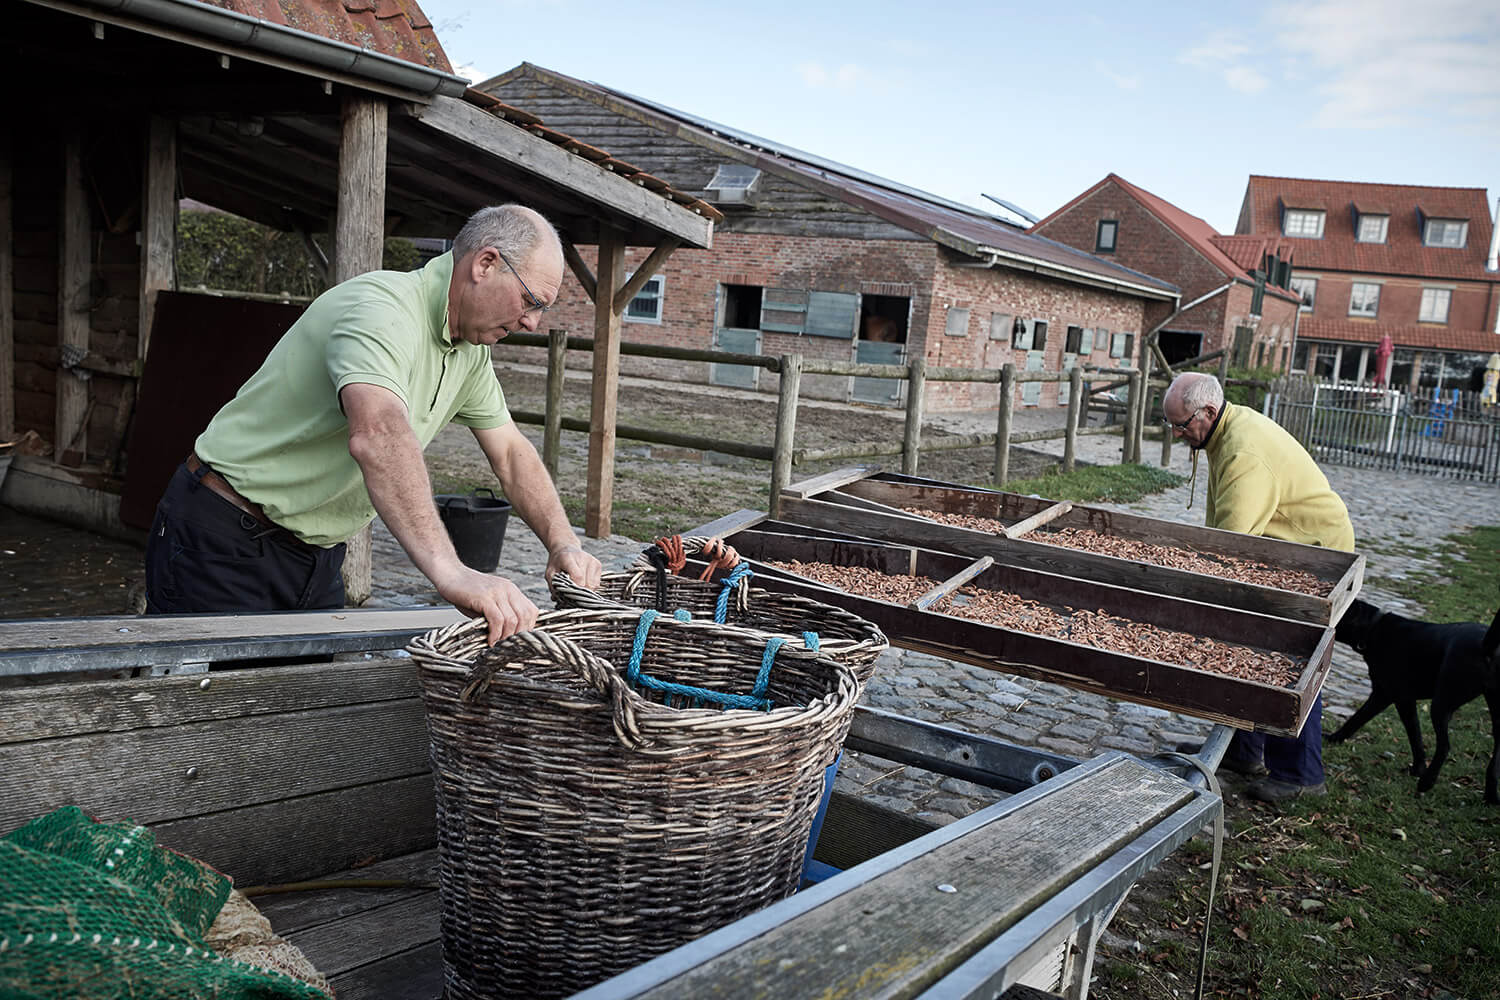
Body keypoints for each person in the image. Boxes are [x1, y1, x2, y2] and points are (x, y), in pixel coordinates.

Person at [144, 204, 602, 645]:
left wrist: (562, 543)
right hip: (223, 535)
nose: (532, 320)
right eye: (530, 300)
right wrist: (452, 571)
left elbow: (511, 453)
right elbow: (379, 434)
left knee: (309, 713)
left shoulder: (470, 354)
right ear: (485, 263)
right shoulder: (381, 310)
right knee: (214, 717)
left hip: (316, 557)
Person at [1164, 371, 1355, 803]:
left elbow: (1232, 543)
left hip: (1313, 552)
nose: (1177, 434)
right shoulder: (1223, 429)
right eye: (1171, 424)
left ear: (1209, 412)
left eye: (1181, 424)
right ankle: (1243, 750)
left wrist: (1193, 586)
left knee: (1290, 656)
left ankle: (1300, 774)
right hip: (1281, 547)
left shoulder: (1243, 451)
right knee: (1248, 644)